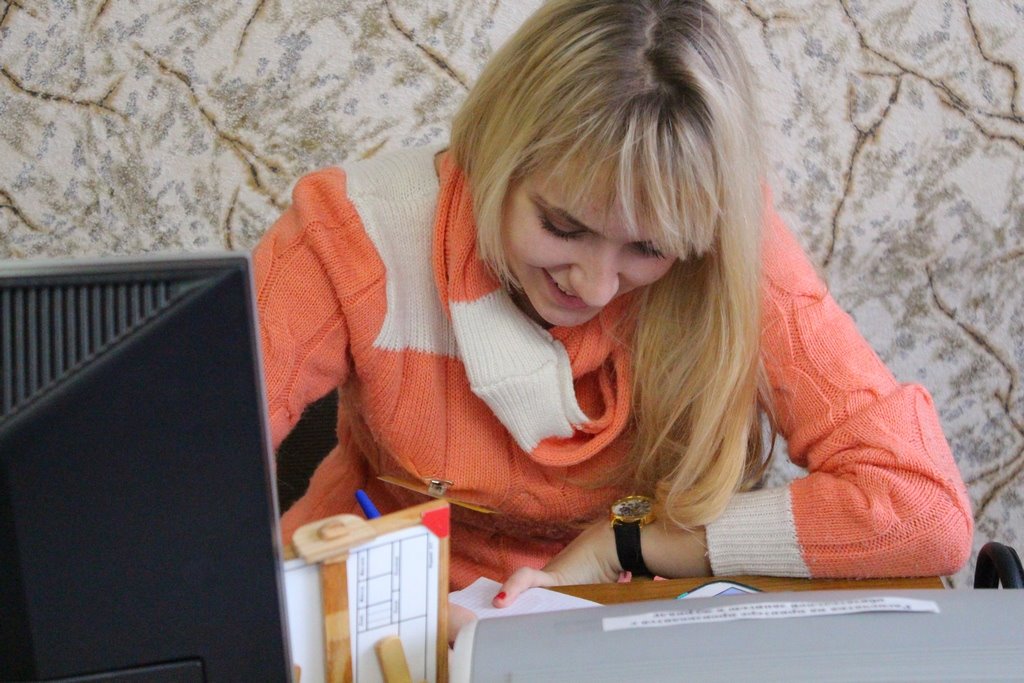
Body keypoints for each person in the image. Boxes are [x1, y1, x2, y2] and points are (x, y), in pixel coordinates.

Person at [254, 0, 973, 604]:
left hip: (612, 612)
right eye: (562, 226)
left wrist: (623, 542)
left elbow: (922, 509)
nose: (595, 288)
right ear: (492, 152)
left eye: (648, 248)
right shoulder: (352, 233)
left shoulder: (728, 248)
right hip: (365, 603)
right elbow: (191, 466)